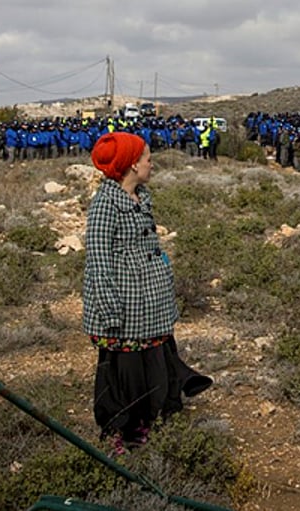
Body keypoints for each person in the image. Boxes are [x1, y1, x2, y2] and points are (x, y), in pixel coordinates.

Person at [83, 132, 211, 451]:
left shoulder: (142, 198)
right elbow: (98, 260)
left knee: (155, 359)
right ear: (130, 165)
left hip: (149, 306)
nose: (151, 163)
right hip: (125, 309)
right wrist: (109, 310)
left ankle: (159, 415)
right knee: (125, 371)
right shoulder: (105, 205)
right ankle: (124, 429)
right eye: (147, 158)